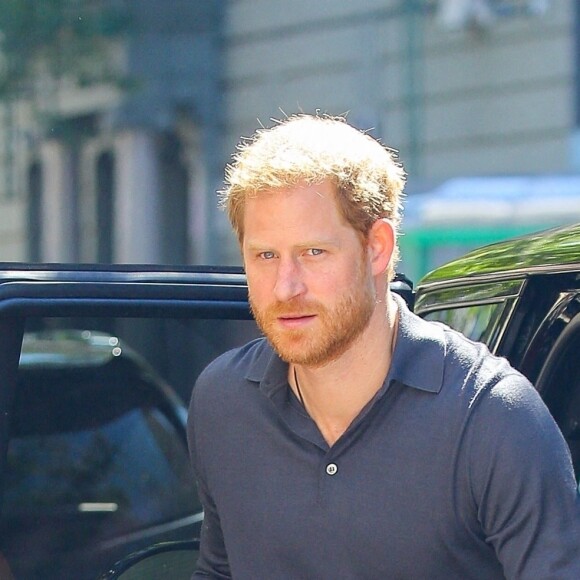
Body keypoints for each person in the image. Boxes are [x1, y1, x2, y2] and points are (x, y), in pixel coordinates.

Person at [187, 114, 580, 579]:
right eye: (265, 255)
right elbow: (218, 572)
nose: (284, 287)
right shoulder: (222, 402)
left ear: (376, 247)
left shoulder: (493, 416)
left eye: (313, 252)